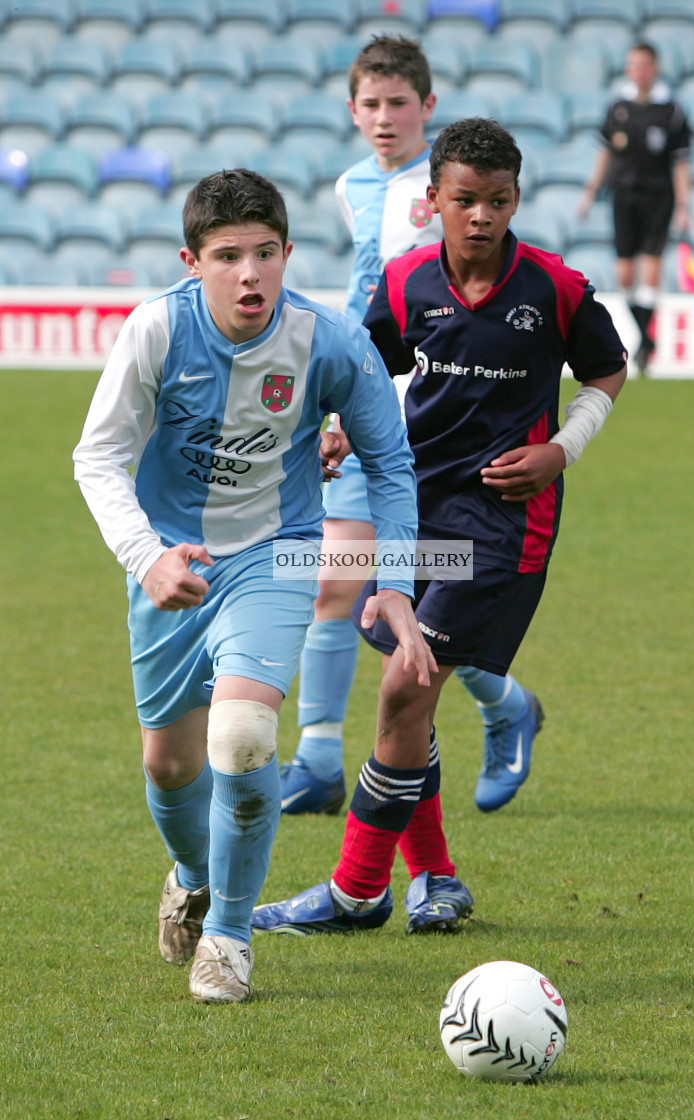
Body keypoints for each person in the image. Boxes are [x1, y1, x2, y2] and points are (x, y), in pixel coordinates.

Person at [251, 118, 627, 938]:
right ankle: (434, 876)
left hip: (501, 526)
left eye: (497, 201)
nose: (481, 216)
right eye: (464, 200)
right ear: (435, 201)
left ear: (515, 199)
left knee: (401, 688)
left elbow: (606, 369)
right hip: (413, 511)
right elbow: (366, 363)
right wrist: (342, 423)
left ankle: (355, 891)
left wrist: (560, 450)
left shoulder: (556, 289)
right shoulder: (406, 280)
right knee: (408, 703)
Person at [72, 168, 435, 1004]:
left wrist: (395, 584)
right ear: (190, 262)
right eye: (227, 256)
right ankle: (195, 875)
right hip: (174, 567)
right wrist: (146, 557)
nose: (249, 274)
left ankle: (229, 937)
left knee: (239, 738)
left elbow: (389, 460)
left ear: (287, 253)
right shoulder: (155, 330)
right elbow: (98, 456)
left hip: (280, 554)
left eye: (265, 254)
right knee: (168, 767)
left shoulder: (331, 339)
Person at [283, 34, 543, 821]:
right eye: (371, 103)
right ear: (352, 110)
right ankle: (318, 759)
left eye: (400, 103)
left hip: (436, 430)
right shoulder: (351, 185)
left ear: (427, 109)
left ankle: (503, 701)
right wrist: (334, 406)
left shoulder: (451, 190)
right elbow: (371, 305)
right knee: (339, 587)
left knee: (421, 597)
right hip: (368, 408)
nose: (385, 117)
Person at [577, 40, 692, 374]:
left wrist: (684, 205)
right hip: (623, 196)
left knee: (651, 269)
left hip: (659, 197)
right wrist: (589, 191)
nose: (638, 71)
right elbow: (604, 153)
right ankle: (646, 338)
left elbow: (681, 164)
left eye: (643, 65)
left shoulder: (672, 110)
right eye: (632, 65)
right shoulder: (617, 107)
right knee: (624, 273)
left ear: (654, 68)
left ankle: (644, 343)